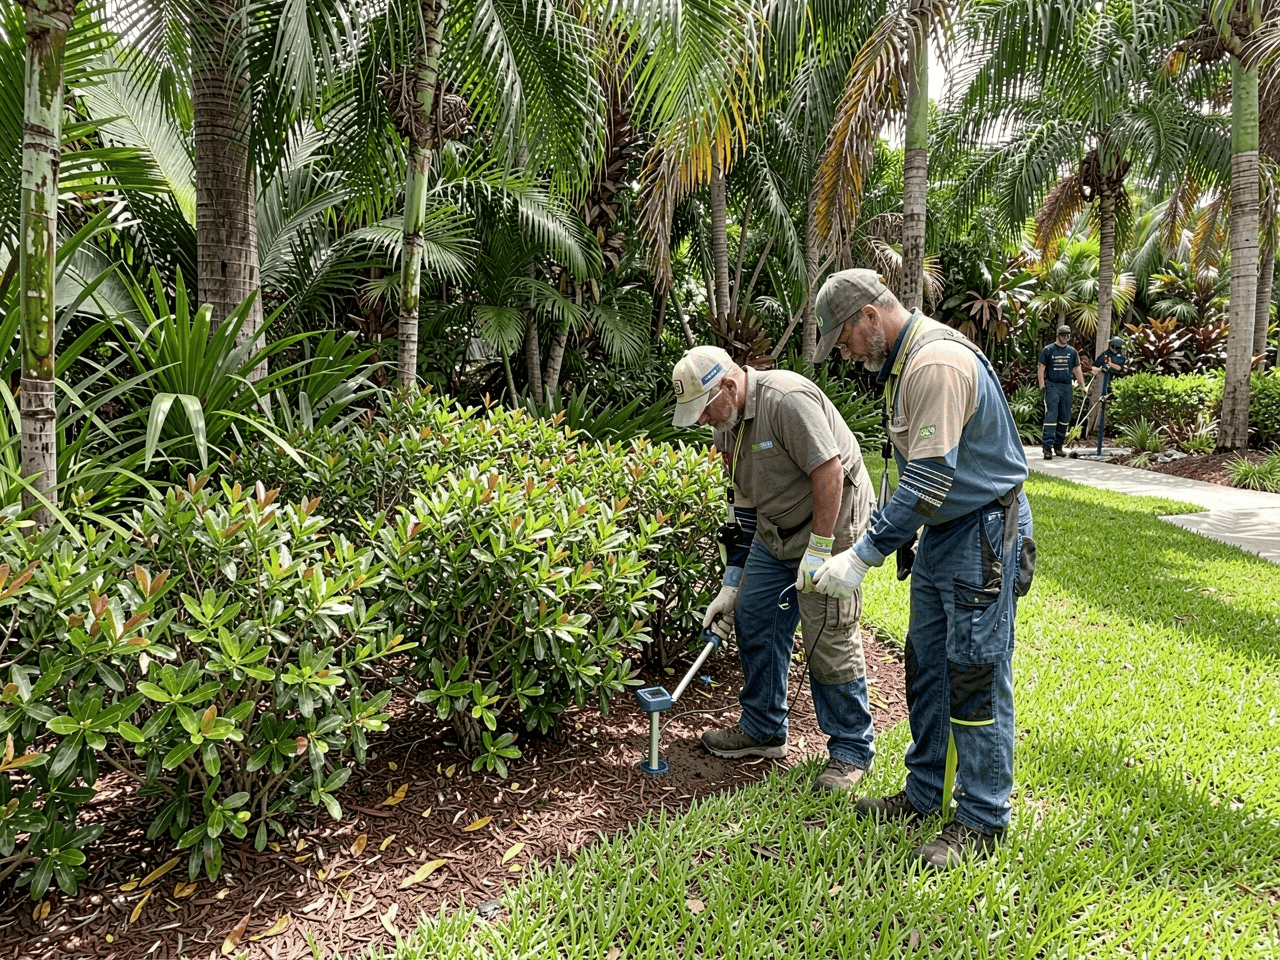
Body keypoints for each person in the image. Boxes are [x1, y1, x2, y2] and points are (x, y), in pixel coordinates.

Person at [807, 269, 1035, 870]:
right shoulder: (903, 364)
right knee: (926, 663)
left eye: (846, 338)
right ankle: (924, 793)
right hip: (945, 534)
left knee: (973, 673)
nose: (846, 353)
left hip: (982, 530)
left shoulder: (934, 363)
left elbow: (930, 480)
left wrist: (862, 554)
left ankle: (983, 818)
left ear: (869, 317)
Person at [670, 345, 878, 794]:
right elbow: (742, 505)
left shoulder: (786, 400)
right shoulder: (726, 425)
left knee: (826, 632)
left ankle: (851, 750)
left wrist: (820, 550)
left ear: (728, 384)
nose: (702, 421)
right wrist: (732, 584)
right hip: (775, 529)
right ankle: (763, 729)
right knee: (753, 614)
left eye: (703, 409)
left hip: (833, 521)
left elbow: (830, 473)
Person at [1037, 324, 1085, 459]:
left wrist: (1083, 386)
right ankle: (1047, 448)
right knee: (1051, 417)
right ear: (1057, 335)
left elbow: (1077, 369)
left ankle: (1058, 447)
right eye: (1063, 335)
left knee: (1064, 417)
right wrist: (1042, 386)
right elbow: (1041, 367)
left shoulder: (1072, 352)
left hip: (1066, 387)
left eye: (1068, 335)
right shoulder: (1049, 350)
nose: (1066, 338)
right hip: (1052, 386)